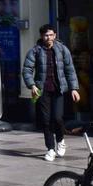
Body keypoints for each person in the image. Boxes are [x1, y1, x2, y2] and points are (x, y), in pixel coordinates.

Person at [22, 25, 81, 160]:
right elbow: (27, 70)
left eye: (50, 35)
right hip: (42, 91)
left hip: (59, 90)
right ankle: (50, 149)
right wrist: (32, 85)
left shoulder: (62, 50)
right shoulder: (35, 51)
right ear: (41, 36)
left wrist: (74, 89)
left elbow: (70, 70)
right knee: (46, 120)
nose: (48, 38)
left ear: (55, 35)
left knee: (58, 118)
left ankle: (60, 141)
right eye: (45, 35)